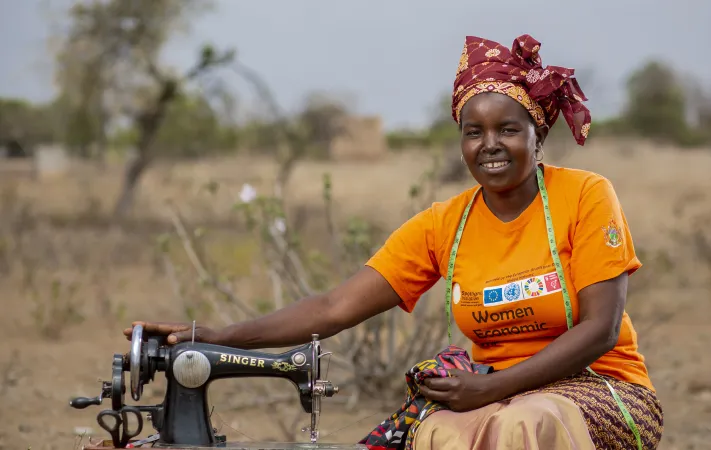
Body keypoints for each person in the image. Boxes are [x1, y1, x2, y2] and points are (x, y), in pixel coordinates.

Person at [124, 34, 663, 449]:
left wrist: (492, 391)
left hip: (603, 390)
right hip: (496, 392)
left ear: (537, 135)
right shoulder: (444, 223)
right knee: (440, 435)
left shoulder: (584, 196)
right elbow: (335, 307)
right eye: (473, 131)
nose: (490, 145)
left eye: (508, 129)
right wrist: (219, 336)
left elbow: (600, 329)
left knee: (522, 425)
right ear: (460, 141)